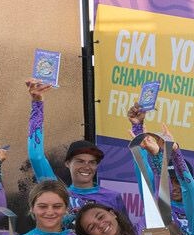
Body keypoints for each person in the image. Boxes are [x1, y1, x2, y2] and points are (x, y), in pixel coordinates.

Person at [25, 80, 125, 224]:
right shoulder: (58, 193)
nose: (86, 166)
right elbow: (36, 156)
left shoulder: (112, 197)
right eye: (80, 161)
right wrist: (37, 104)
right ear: (67, 163)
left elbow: (124, 232)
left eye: (92, 162)